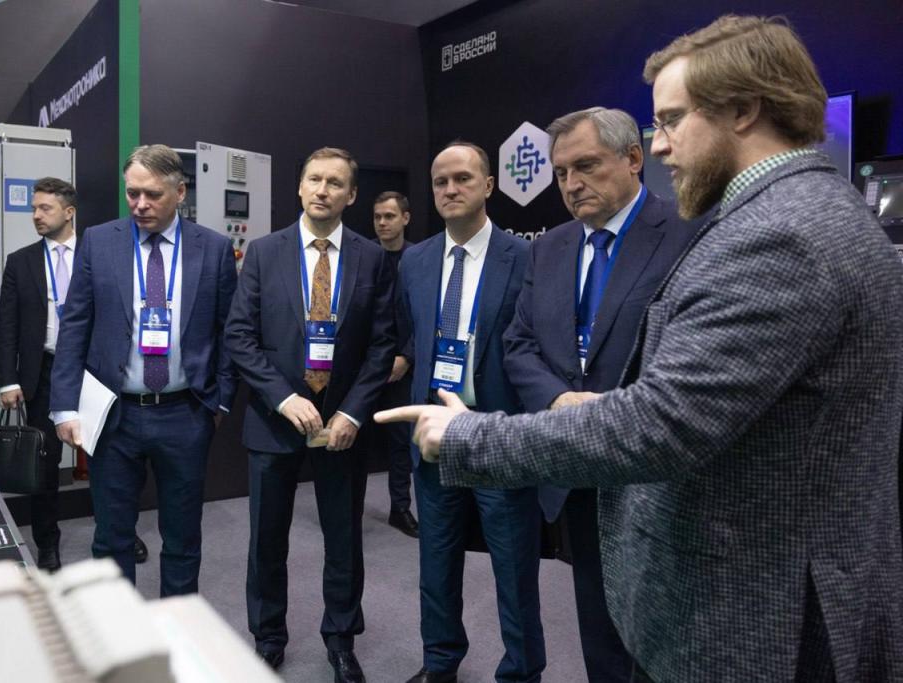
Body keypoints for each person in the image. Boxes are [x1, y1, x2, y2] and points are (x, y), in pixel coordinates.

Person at [378, 15, 903, 682]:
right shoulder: (798, 212)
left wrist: (467, 437)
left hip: (765, 607)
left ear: (744, 109)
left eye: (673, 119)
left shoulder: (779, 235)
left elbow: (663, 423)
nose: (660, 145)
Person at [503, 107, 701, 680]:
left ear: (634, 158)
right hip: (577, 471)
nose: (571, 184)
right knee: (600, 626)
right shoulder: (550, 247)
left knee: (666, 637)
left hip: (657, 477)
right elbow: (519, 343)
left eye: (586, 166)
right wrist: (558, 401)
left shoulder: (687, 232)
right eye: (562, 172)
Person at [225, 147, 394, 682]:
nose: (323, 189)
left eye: (335, 182)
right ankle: (267, 637)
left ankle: (341, 639)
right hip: (275, 419)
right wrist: (282, 397)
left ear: (351, 195)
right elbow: (240, 336)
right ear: (299, 187)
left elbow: (381, 346)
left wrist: (353, 413)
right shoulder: (264, 252)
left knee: (343, 539)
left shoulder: (371, 258)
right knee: (266, 540)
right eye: (314, 179)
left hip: (341, 426)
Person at [49, 144, 238, 596]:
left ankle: (179, 624)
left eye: (152, 194)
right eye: (132, 193)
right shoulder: (99, 241)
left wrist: (220, 400)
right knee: (111, 536)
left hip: (185, 413)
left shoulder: (213, 248)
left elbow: (229, 331)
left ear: (180, 192)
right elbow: (75, 324)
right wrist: (64, 406)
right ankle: (120, 630)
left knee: (182, 537)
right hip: (113, 413)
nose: (140, 204)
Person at [396, 142, 544, 683]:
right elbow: (411, 337)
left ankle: (521, 673)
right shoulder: (414, 260)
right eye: (441, 181)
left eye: (462, 178)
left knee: (514, 571)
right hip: (434, 437)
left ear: (488, 185)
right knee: (436, 566)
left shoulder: (525, 257)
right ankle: (440, 664)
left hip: (495, 435)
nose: (450, 189)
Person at [0, 177, 79, 571]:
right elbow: (8, 327)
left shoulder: (97, 255)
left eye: (45, 208)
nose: (36, 215)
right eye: (34, 208)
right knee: (45, 460)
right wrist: (8, 379)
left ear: (69, 212)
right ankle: (47, 542)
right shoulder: (21, 261)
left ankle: (121, 532)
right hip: (44, 371)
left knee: (110, 457)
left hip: (91, 371)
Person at [363, 191, 417, 537]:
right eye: (378, 217)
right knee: (353, 437)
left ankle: (400, 508)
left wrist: (407, 357)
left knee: (401, 443)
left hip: (402, 366)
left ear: (405, 218)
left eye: (390, 216)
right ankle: (347, 507)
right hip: (365, 366)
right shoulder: (363, 255)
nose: (382, 223)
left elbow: (425, 314)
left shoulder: (419, 259)